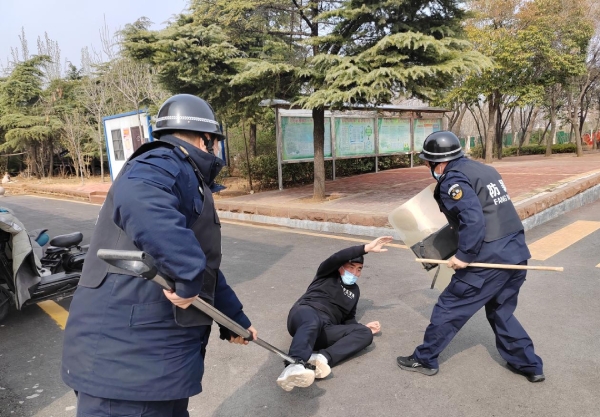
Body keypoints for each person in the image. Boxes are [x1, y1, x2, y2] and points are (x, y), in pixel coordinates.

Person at [61, 94, 257, 417]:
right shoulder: (165, 161)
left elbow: (203, 268)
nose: (221, 151)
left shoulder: (186, 176)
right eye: (218, 142)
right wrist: (186, 273)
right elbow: (137, 196)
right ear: (204, 139)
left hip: (151, 371)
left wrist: (235, 321)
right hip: (126, 373)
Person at [396, 131, 544, 383]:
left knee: (449, 307)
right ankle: (530, 365)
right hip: (516, 253)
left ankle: (425, 358)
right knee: (501, 312)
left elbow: (473, 220)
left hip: (487, 261)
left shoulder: (453, 180)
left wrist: (464, 256)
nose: (427, 167)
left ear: (438, 162)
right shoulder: (484, 170)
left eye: (427, 163)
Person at [277, 236, 393, 391]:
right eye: (351, 267)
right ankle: (294, 364)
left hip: (325, 329)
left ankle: (319, 359)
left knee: (365, 334)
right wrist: (365, 248)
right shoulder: (327, 274)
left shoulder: (355, 292)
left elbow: (348, 319)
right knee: (312, 321)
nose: (355, 272)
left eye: (359, 269)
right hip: (305, 314)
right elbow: (337, 257)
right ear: (340, 267)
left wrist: (362, 327)